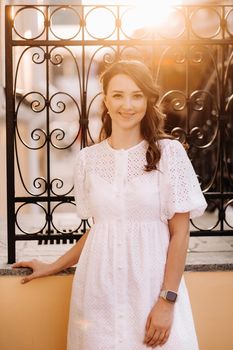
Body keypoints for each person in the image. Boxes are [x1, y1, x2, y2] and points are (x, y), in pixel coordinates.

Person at [13, 59, 207, 349]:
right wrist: (53, 266)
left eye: (137, 95)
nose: (127, 105)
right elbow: (101, 229)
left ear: (147, 99)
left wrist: (167, 302)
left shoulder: (169, 153)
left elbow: (180, 234)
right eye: (118, 95)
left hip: (151, 290)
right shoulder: (88, 159)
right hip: (97, 294)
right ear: (105, 99)